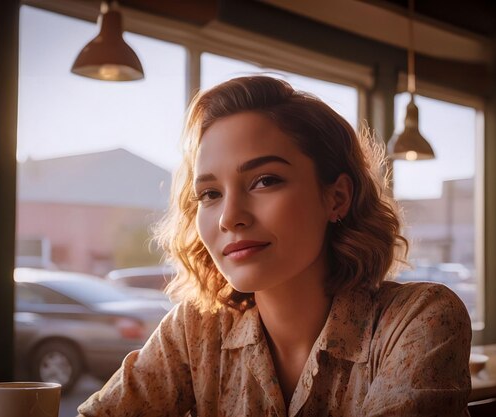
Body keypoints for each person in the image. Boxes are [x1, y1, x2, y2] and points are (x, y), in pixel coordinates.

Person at [78, 76, 471, 417]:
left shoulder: (419, 319)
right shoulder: (195, 330)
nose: (229, 217)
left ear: (336, 198)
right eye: (210, 193)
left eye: (265, 180)